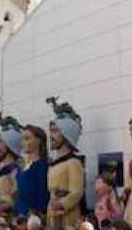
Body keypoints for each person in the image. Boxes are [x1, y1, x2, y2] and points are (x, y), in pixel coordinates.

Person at [46, 97, 85, 229]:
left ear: (67, 133)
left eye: (55, 131)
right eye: (51, 131)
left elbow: (77, 192)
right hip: (52, 213)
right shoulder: (53, 164)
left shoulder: (73, 163)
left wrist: (62, 203)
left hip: (68, 217)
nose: (51, 135)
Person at [15, 124, 49, 218]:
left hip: (34, 214)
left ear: (38, 141)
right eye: (22, 139)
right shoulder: (21, 166)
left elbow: (43, 192)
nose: (23, 142)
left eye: (27, 138)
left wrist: (41, 212)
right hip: (20, 213)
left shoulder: (42, 165)